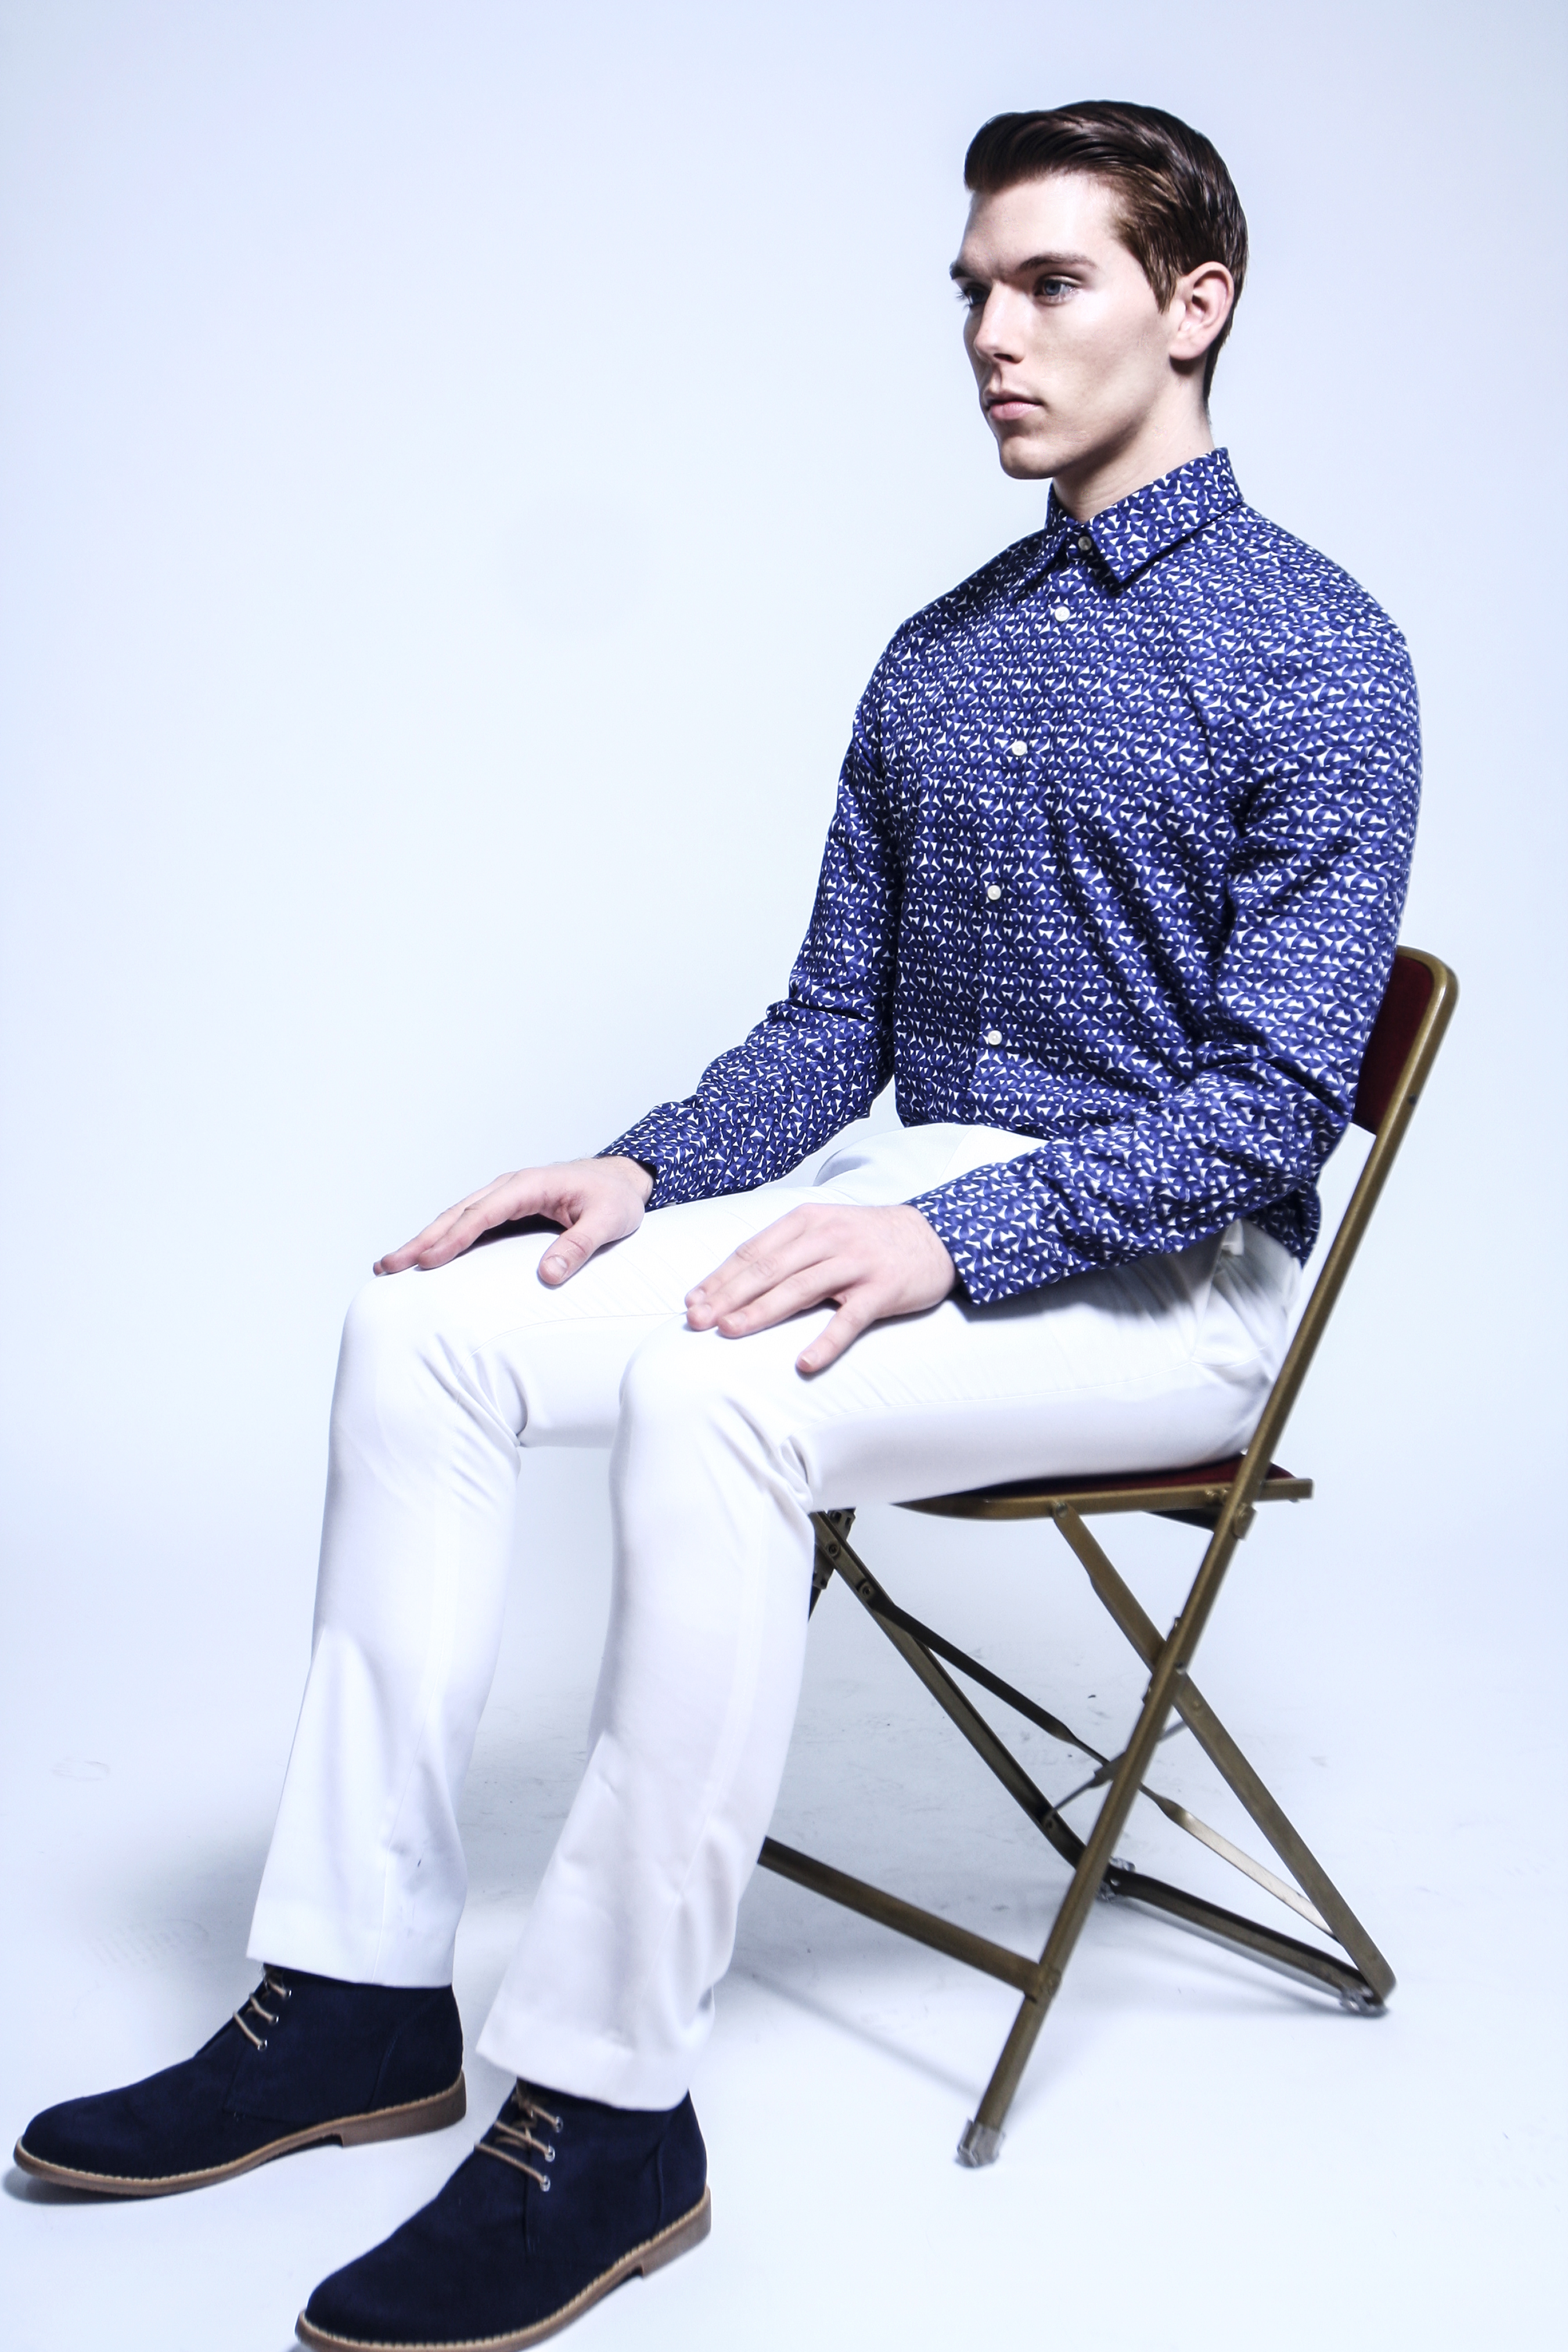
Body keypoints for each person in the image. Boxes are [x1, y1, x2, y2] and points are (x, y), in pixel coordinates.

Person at [16, 100, 1419, 2351]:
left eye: (1047, 282)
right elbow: (832, 1024)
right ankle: (359, 1992)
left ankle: (607, 2109)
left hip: (1169, 1280)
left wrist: (958, 1240)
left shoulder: (1325, 654)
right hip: (905, 1207)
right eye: (970, 289)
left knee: (719, 1393)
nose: (990, 331)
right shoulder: (935, 651)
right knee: (427, 1324)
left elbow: (1263, 1114)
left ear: (1196, 303)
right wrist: (645, 1167)